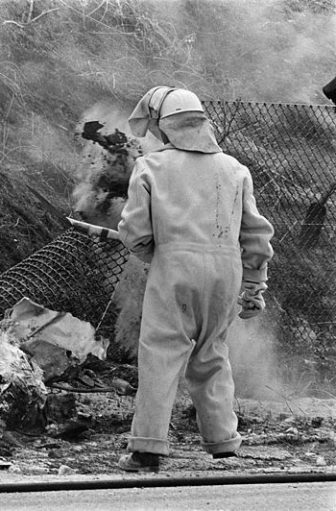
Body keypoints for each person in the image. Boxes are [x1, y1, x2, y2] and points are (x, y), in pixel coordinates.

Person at [116, 86, 274, 472]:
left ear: (165, 126)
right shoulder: (235, 170)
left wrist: (158, 254)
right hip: (226, 272)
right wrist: (253, 283)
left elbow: (135, 232)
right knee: (212, 353)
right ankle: (223, 444)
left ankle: (147, 449)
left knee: (161, 353)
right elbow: (256, 234)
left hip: (174, 269)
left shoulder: (151, 167)